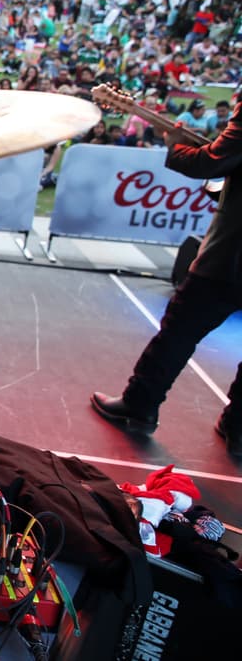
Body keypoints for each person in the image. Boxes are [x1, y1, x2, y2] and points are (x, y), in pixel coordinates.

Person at [91, 94, 242, 456]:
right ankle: (238, 430)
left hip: (231, 257)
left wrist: (176, 146)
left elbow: (212, 161)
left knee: (178, 331)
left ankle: (139, 406)